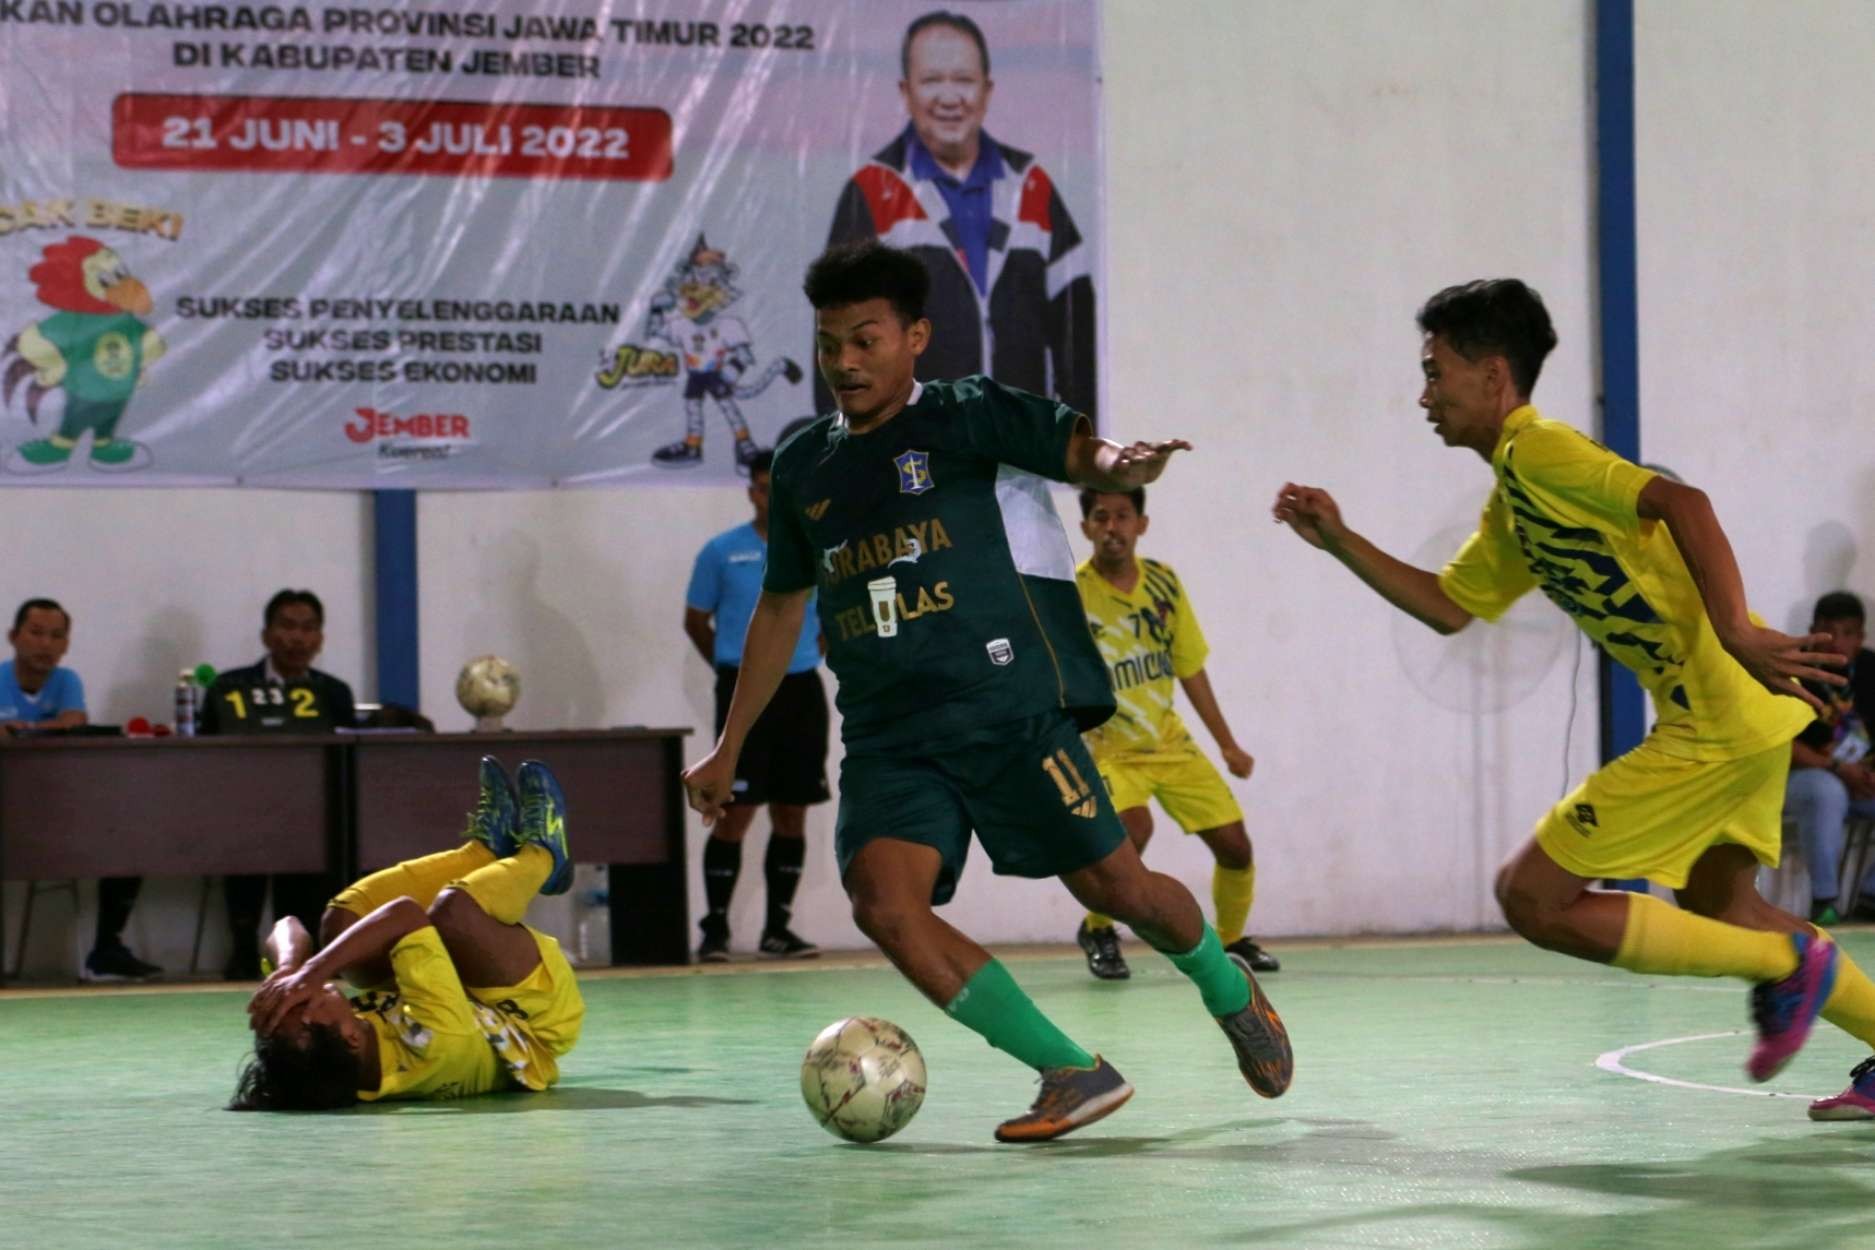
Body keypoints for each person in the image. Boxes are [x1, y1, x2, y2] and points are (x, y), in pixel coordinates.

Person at [684, 241, 1291, 1144]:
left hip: (1005, 712)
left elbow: (1087, 451)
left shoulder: (969, 415)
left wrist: (1131, 465)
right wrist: (728, 745)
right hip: (889, 734)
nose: (844, 362)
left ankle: (1224, 985)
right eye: (828, 344)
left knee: (1120, 887)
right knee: (884, 904)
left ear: (914, 337)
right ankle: (1069, 1071)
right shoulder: (808, 464)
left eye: (866, 339)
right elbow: (780, 607)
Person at [1272, 277, 1875, 1122]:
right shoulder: (1513, 502)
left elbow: (1681, 501)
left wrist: (1734, 625)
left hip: (1717, 715)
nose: (1424, 395)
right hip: (1739, 717)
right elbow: (1450, 607)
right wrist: (1338, 541)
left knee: (1532, 896)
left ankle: (1785, 964)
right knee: (1721, 907)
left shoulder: (1539, 451)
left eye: (1434, 372)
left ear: (1490, 374)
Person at [230, 756, 583, 1110]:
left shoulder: (330, 1057)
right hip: (526, 1020)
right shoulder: (436, 1041)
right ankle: (546, 858)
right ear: (351, 1038)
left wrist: (288, 970)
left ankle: (486, 852)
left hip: (455, 1000)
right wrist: (313, 971)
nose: (303, 995)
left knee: (342, 922)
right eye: (305, 1003)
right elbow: (404, 914)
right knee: (453, 913)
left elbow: (287, 925)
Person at [819, 10, 1095, 423]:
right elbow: (838, 340)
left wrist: (1080, 443)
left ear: (987, 90)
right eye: (932, 81)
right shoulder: (873, 192)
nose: (949, 97)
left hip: (1016, 455)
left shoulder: (1032, 187)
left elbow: (1078, 332)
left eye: (963, 80)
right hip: (913, 457)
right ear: (906, 91)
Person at [1072, 489, 1277, 980]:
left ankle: (1230, 940)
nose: (1112, 527)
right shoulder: (1070, 593)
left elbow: (1190, 668)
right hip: (1108, 747)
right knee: (1132, 831)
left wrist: (1227, 743)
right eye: (1101, 517)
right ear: (1086, 529)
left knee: (1235, 845)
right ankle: (1099, 928)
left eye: (1123, 516)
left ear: (1141, 524)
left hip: (1169, 743)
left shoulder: (1163, 584)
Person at [684, 447, 830, 962]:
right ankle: (716, 931)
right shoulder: (721, 552)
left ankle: (778, 930)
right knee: (733, 812)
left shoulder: (815, 547)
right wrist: (739, 673)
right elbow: (695, 621)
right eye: (765, 487)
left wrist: (812, 650)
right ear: (753, 492)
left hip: (802, 692)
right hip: (742, 691)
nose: (773, 497)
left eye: (782, 487)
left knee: (792, 812)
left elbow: (829, 614)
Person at [201, 589, 357, 980]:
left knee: (323, 842)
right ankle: (243, 954)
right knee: (245, 838)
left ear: (320, 639)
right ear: (267, 635)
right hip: (240, 809)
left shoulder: (334, 693)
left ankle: (306, 959)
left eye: (308, 629)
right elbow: (205, 752)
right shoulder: (228, 687)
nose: (298, 638)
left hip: (310, 811)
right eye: (287, 626)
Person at [2, 597, 160, 981]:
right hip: (8, 809)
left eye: (56, 636)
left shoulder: (67, 680)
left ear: (66, 644)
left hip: (62, 806)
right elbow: (64, 725)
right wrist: (49, 727)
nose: (45, 644)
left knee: (130, 840)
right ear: (13, 636)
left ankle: (106, 949)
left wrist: (19, 731)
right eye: (36, 633)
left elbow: (74, 721)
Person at [1785, 591, 1875, 924]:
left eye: (1848, 633)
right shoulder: (1792, 669)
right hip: (1800, 778)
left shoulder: (1869, 669)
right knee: (1826, 790)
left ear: (1861, 636)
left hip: (1857, 777)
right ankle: (1824, 902)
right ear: (1812, 631)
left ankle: (1870, 898)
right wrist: (1837, 767)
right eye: (1828, 632)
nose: (1837, 642)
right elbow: (1782, 746)